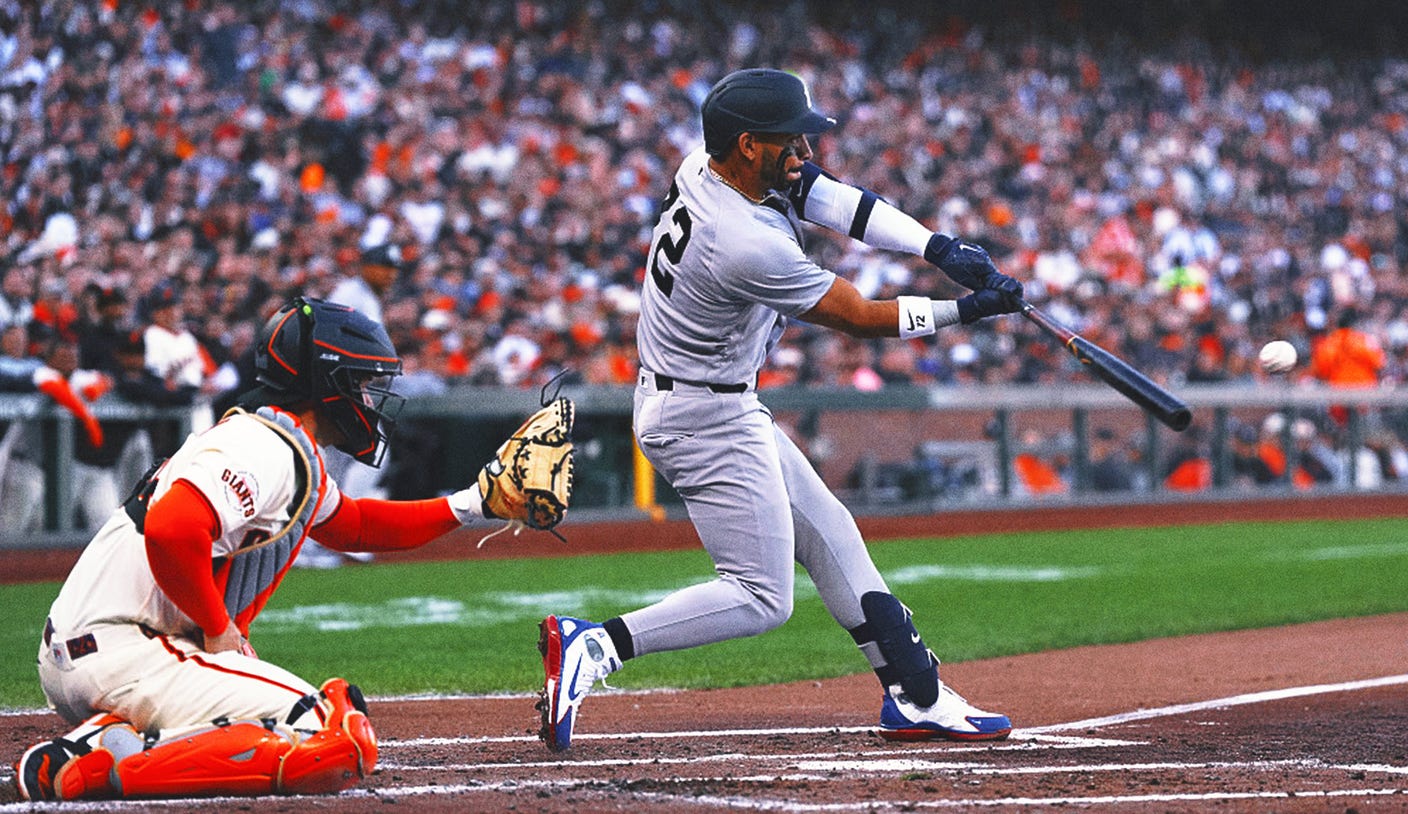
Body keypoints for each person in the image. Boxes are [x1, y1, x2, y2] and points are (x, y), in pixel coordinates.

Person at [536, 68, 1022, 751]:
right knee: (762, 597)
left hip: (714, 400)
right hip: (703, 417)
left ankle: (916, 693)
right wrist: (966, 309)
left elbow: (832, 199)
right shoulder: (744, 242)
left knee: (832, 531)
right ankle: (598, 645)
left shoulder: (709, 167)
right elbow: (859, 317)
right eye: (786, 142)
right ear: (745, 146)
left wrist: (938, 249)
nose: (801, 154)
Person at [14, 297, 545, 801]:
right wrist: (218, 628)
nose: (369, 399)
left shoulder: (276, 441)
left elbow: (354, 526)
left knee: (314, 729)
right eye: (361, 383)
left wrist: (474, 504)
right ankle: (104, 770)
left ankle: (107, 741)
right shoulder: (266, 447)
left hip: (99, 652)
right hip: (128, 649)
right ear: (326, 384)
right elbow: (172, 529)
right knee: (332, 735)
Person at [298, 243, 409, 568]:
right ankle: (328, 536)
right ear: (366, 266)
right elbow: (329, 339)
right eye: (383, 268)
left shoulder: (363, 295)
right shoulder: (351, 293)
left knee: (332, 465)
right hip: (330, 383)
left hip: (336, 383)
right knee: (367, 453)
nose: (389, 275)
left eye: (392, 270)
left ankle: (317, 538)